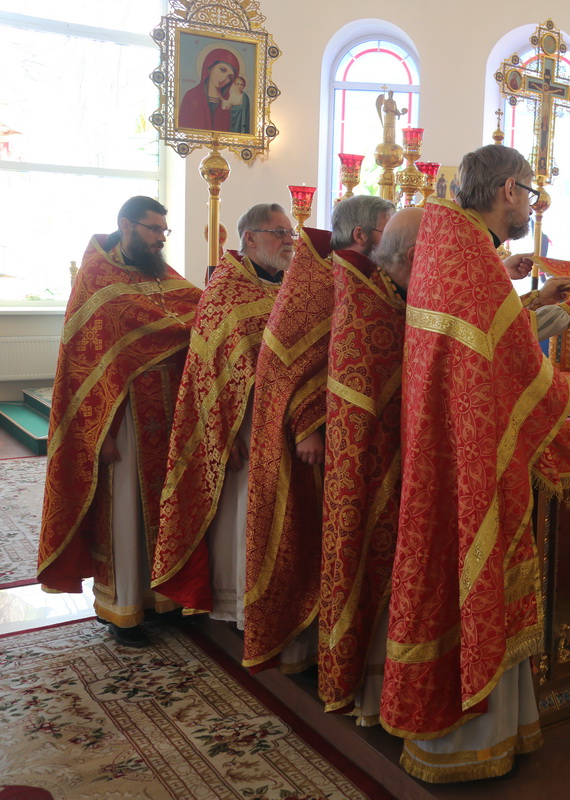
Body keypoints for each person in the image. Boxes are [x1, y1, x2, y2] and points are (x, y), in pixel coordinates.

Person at [379, 144, 570, 782]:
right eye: (531, 195)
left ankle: (472, 729)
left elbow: (494, 338)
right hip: (469, 452)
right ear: (508, 189)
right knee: (470, 561)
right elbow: (519, 360)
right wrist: (560, 390)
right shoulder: (468, 252)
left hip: (446, 441)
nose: (532, 208)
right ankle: (469, 737)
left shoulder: (444, 239)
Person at [37, 196, 201, 647]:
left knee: (169, 507)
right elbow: (83, 366)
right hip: (122, 417)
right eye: (152, 229)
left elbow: (196, 311)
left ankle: (164, 598)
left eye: (164, 231)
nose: (159, 238)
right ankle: (122, 610)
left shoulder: (160, 273)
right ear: (125, 226)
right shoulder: (97, 279)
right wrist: (100, 436)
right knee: (126, 512)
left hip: (168, 414)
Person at [241, 194, 396, 675]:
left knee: (331, 539)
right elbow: (289, 359)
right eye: (388, 233)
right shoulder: (316, 275)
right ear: (363, 236)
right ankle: (301, 643)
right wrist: (308, 427)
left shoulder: (364, 274)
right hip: (309, 439)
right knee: (304, 533)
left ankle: (326, 637)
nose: (392, 244)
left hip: (346, 432)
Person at [152, 203, 291, 626]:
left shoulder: (290, 287)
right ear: (250, 239)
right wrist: (221, 434)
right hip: (241, 426)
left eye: (291, 233)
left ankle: (278, 600)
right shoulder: (225, 291)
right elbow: (206, 374)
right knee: (243, 516)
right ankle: (239, 604)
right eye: (279, 233)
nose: (289, 241)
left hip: (285, 424)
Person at [319, 206, 414, 722]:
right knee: (360, 550)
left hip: (400, 448)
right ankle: (362, 681)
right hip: (361, 453)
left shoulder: (382, 288)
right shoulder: (347, 285)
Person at [179, 48, 239, 132]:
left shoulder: (229, 104)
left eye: (229, 77)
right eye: (222, 70)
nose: (224, 78)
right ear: (210, 67)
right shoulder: (191, 97)